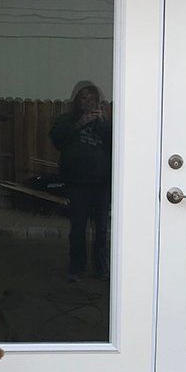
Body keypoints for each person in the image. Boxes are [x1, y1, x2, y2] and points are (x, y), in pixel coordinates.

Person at [50, 80, 112, 282]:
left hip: (102, 183)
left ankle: (101, 269)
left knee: (102, 228)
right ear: (76, 100)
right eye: (84, 97)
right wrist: (80, 124)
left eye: (93, 97)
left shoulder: (106, 122)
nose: (89, 101)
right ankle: (76, 269)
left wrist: (105, 123)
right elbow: (57, 140)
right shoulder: (66, 120)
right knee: (78, 228)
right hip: (77, 183)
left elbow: (117, 145)